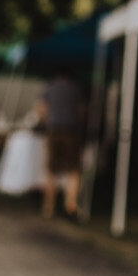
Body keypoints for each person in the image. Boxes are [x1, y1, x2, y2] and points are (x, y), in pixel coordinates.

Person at [37, 67, 85, 218]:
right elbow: (82, 110)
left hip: (53, 130)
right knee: (73, 168)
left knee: (51, 168)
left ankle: (48, 206)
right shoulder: (76, 89)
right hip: (72, 131)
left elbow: (40, 109)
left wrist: (47, 121)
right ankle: (71, 203)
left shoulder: (49, 87)